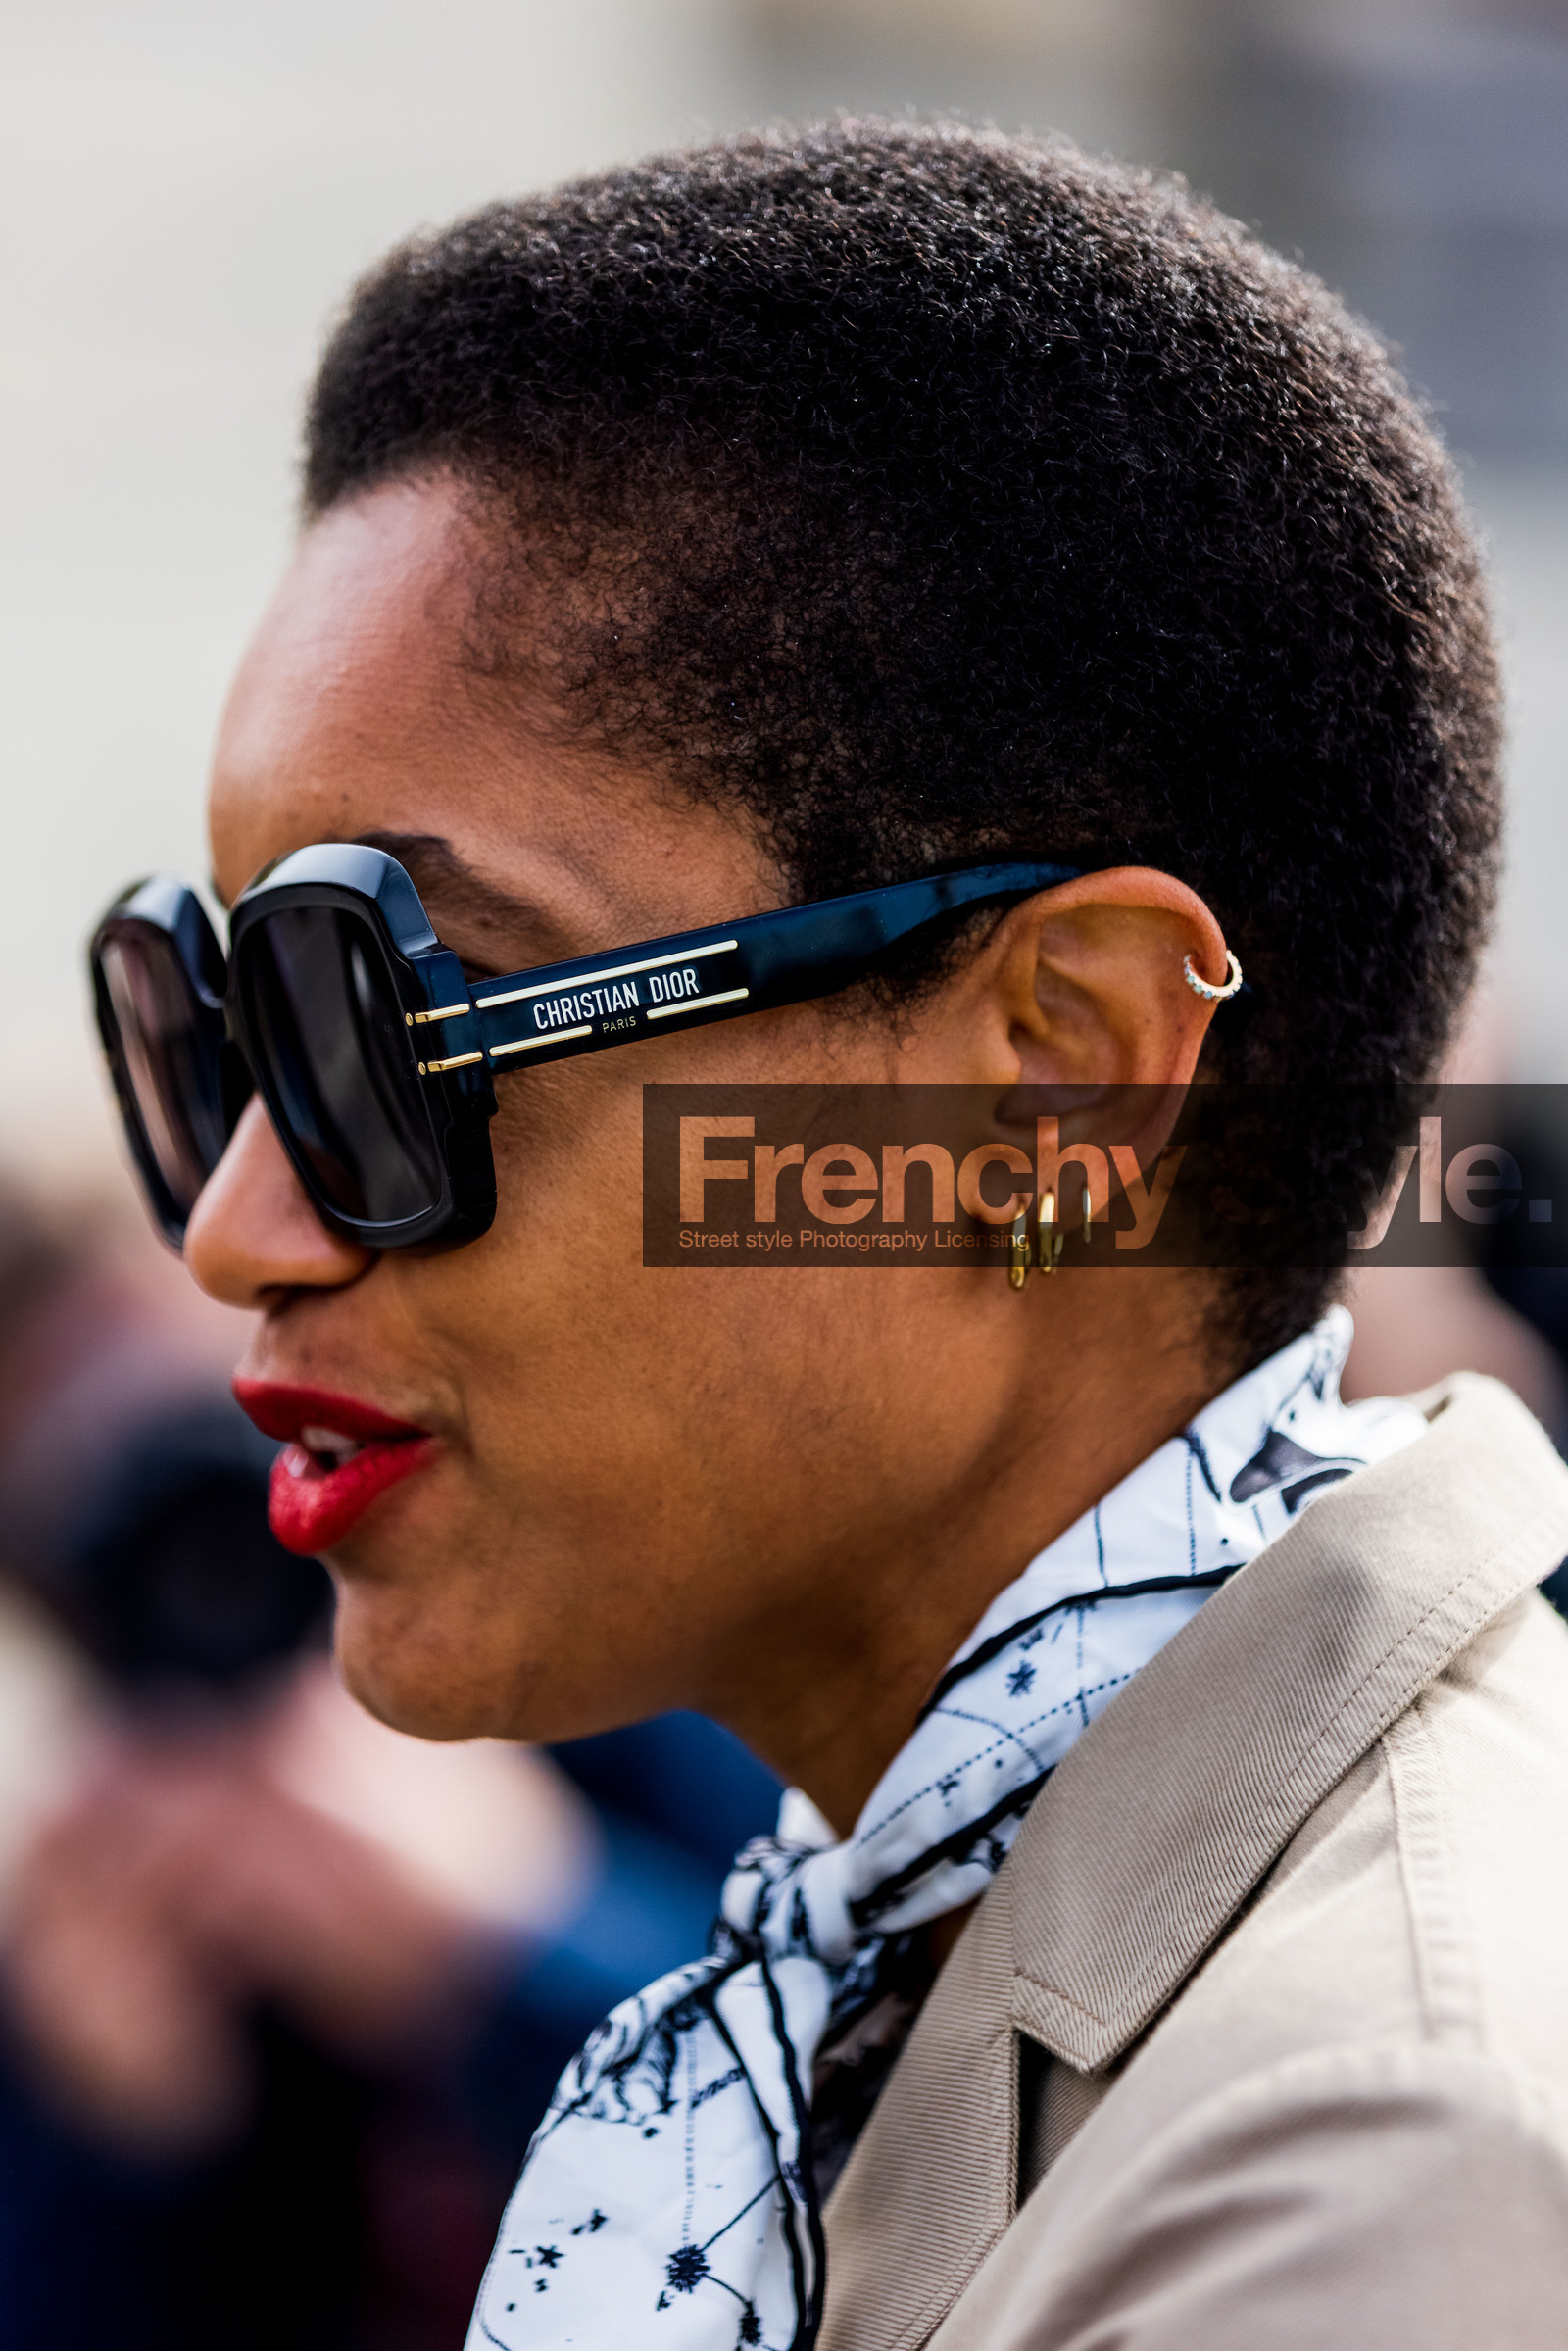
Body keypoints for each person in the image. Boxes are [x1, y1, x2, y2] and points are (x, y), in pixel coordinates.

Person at [88, 122, 1568, 2347]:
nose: (238, 1224)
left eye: (387, 1020)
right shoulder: (896, 1963)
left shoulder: (1369, 2174)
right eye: (218, 1030)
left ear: (1050, 1071)